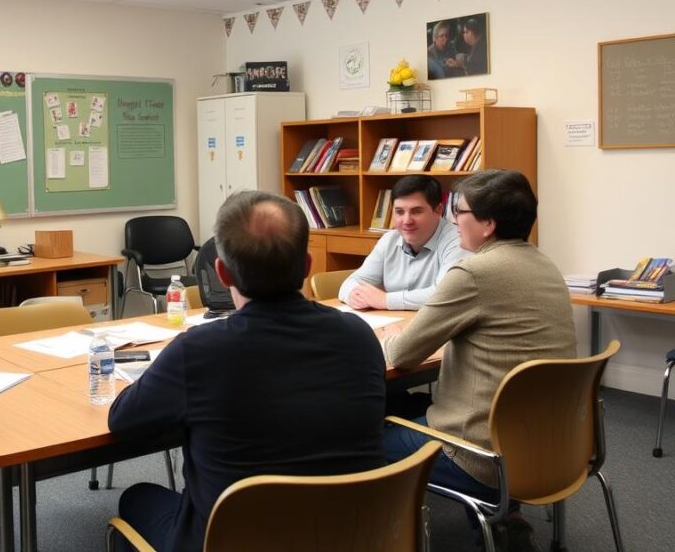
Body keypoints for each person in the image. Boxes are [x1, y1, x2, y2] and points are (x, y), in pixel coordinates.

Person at [109, 191, 386, 552]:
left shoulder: (198, 351)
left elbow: (123, 421)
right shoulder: (359, 336)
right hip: (350, 535)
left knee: (137, 497)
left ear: (222, 273)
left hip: (232, 540)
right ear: (307, 265)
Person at [382, 170, 576, 544]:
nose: (454, 220)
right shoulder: (544, 263)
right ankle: (503, 520)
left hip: (481, 456)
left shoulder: (474, 271)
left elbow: (402, 354)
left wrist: (391, 336)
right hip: (550, 444)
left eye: (460, 211)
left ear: (488, 224)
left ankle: (383, 535)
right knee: (412, 405)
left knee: (366, 437)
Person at [339, 175, 469, 310]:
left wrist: (385, 300)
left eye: (416, 211)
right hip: (395, 321)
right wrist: (353, 295)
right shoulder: (389, 240)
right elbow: (351, 282)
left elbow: (446, 295)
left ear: (438, 211)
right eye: (399, 212)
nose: (407, 221)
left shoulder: (459, 241)